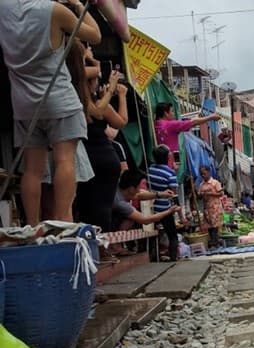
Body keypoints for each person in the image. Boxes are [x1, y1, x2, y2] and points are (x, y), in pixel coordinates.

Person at [0, 0, 102, 226]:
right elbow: (95, 35)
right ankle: (63, 220)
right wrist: (77, 4)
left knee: (32, 169)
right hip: (59, 99)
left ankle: (33, 225)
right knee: (65, 160)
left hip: (24, 103)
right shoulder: (53, 10)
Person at [75, 70, 127, 233]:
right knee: (103, 205)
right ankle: (102, 246)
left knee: (82, 203)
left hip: (82, 158)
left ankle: (86, 242)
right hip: (105, 157)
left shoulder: (74, 101)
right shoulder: (99, 105)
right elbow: (121, 122)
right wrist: (120, 95)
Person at [154, 102, 221, 169]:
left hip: (160, 163)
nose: (173, 114)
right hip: (170, 164)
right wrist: (210, 117)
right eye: (172, 111)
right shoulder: (169, 125)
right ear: (166, 113)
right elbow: (193, 122)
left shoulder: (156, 124)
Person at [112, 170, 180, 230]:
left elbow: (138, 195)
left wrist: (160, 194)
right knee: (130, 220)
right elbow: (145, 220)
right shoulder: (121, 204)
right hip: (109, 228)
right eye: (139, 187)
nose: (139, 190)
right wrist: (169, 211)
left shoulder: (118, 186)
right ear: (131, 189)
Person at [148, 144, 180, 261]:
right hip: (165, 209)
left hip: (150, 207)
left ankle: (152, 257)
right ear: (167, 157)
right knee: (172, 235)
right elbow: (174, 193)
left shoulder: (150, 169)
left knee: (151, 234)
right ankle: (173, 258)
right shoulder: (170, 173)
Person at [198, 166, 224, 248]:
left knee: (215, 226)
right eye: (201, 174)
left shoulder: (215, 183)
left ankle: (215, 243)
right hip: (207, 208)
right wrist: (201, 195)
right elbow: (199, 197)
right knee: (209, 226)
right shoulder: (201, 185)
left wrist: (209, 193)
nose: (203, 175)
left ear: (208, 172)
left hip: (215, 207)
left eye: (204, 174)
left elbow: (221, 194)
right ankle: (213, 242)